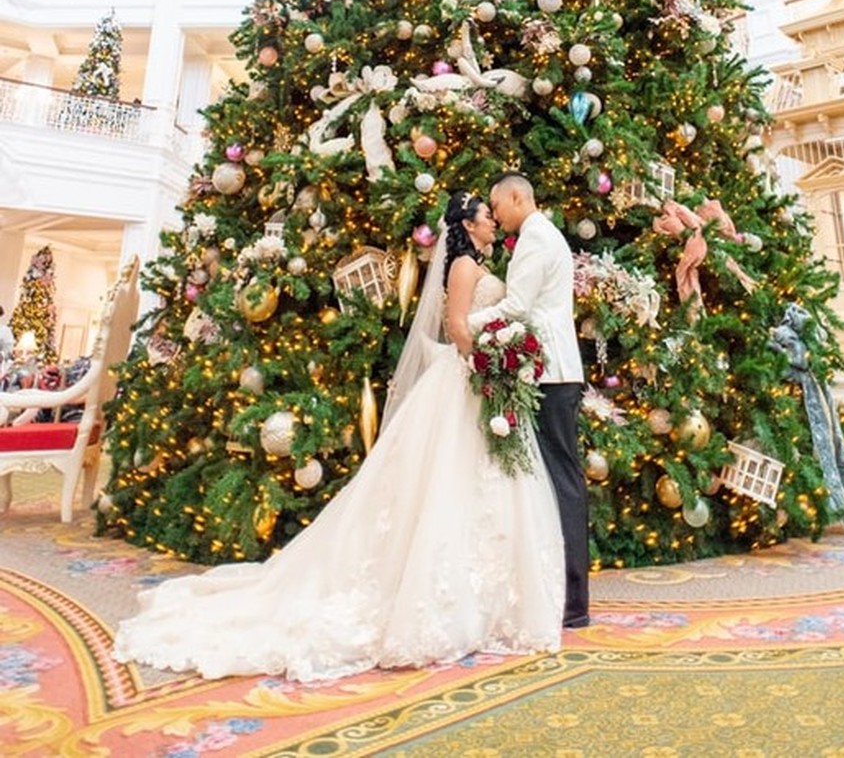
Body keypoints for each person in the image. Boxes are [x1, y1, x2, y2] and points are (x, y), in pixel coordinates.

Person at [113, 191, 564, 682]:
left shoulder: (476, 263)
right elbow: (456, 326)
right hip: (467, 380)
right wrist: (488, 363)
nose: (494, 222)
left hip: (477, 384)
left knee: (475, 486)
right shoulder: (460, 268)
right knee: (448, 484)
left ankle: (485, 600)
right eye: (486, 215)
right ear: (468, 223)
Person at [475, 173, 590, 628]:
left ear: (518, 197)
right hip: (552, 368)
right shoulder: (540, 234)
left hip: (553, 372)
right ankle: (562, 594)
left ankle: (573, 600)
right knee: (554, 476)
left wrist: (468, 322)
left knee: (561, 477)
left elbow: (517, 306)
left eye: (497, 204)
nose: (496, 214)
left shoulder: (536, 238)